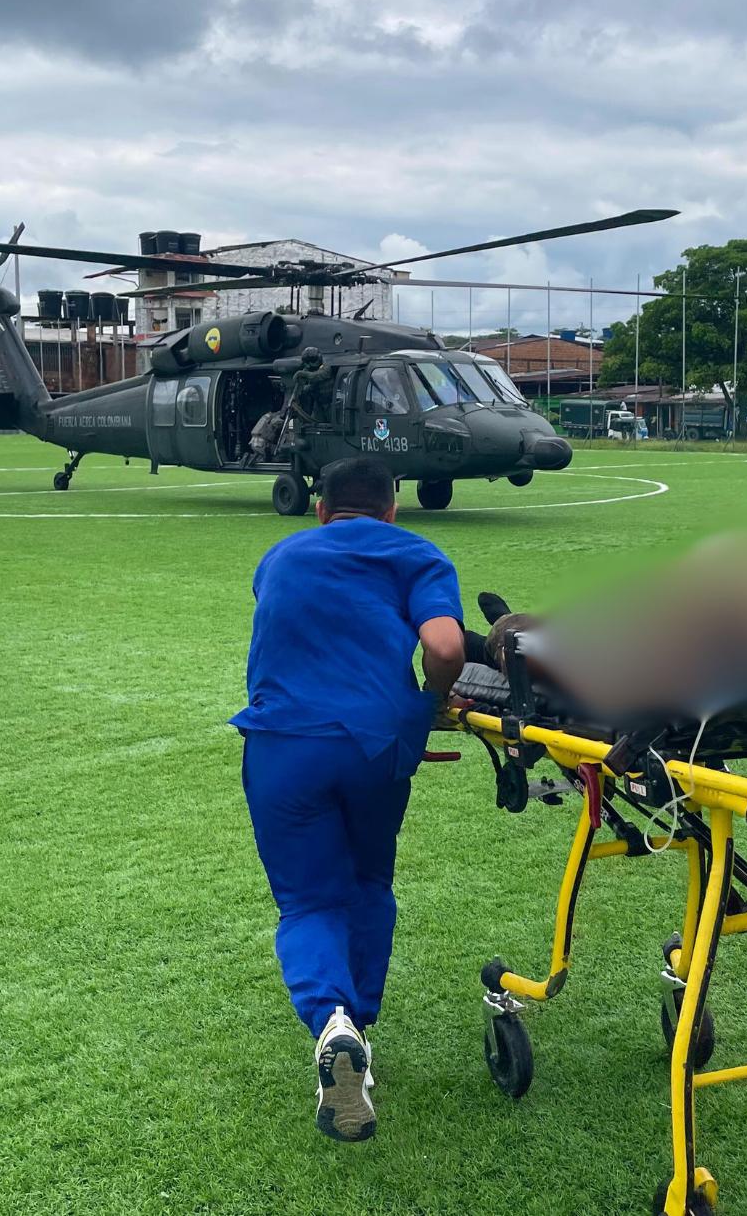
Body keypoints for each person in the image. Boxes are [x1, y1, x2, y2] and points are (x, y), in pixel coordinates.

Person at [230, 455, 465, 1142]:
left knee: (307, 900)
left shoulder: (281, 555)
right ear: (393, 508)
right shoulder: (416, 552)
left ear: (320, 510)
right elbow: (445, 643)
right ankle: (356, 1025)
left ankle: (331, 1021)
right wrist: (433, 695)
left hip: (282, 746)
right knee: (367, 879)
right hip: (375, 745)